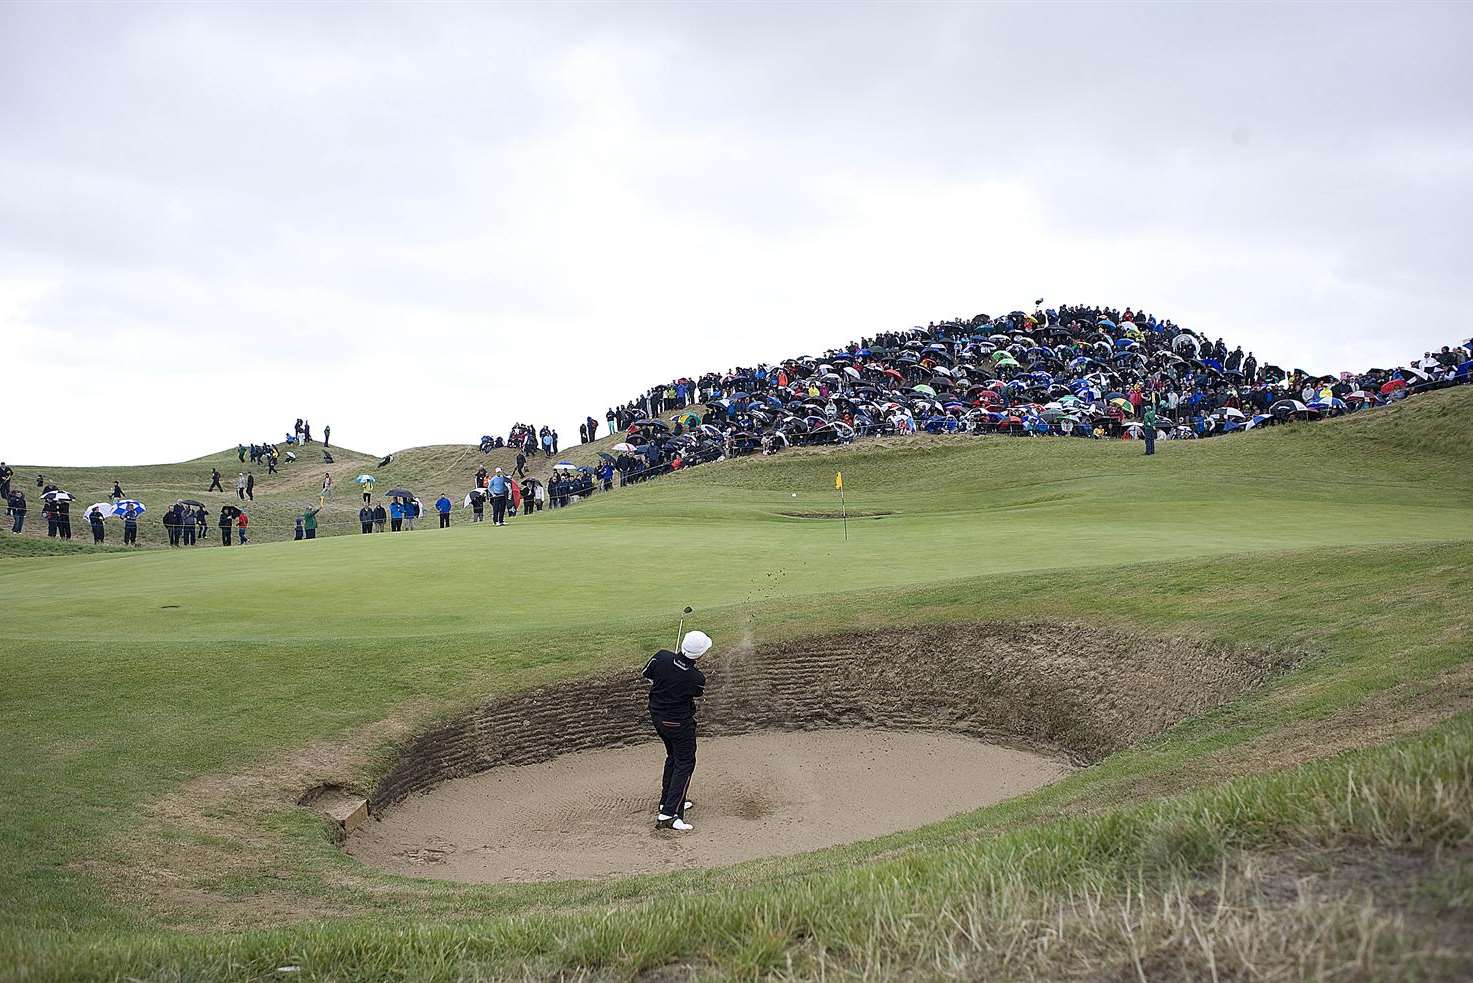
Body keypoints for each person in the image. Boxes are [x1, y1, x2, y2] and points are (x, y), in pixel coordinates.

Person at [643, 629, 712, 831]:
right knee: (685, 764)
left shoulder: (661, 657)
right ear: (699, 655)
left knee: (673, 757)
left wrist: (667, 672)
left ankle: (667, 802)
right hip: (679, 724)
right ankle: (669, 815)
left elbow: (648, 675)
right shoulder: (696, 677)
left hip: (658, 718)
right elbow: (696, 693)